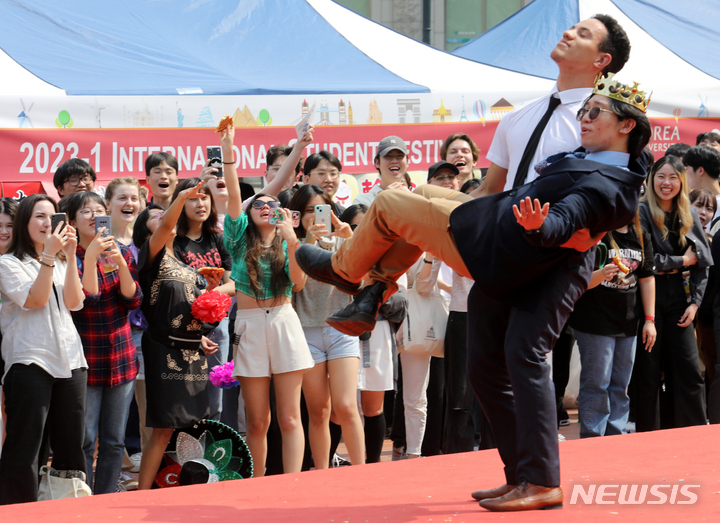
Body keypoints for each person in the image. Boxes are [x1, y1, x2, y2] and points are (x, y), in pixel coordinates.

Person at [297, 74, 652, 511]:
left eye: (594, 111)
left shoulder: (609, 182)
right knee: (484, 365)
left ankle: (346, 271)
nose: (584, 118)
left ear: (626, 126)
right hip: (498, 229)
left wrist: (542, 225)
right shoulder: (599, 159)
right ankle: (521, 476)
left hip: (501, 246)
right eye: (583, 110)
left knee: (390, 205)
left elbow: (568, 216)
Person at [221, 121, 315, 476]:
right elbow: (233, 194)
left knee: (291, 417)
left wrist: (292, 239)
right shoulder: (237, 239)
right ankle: (257, 483)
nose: (264, 204)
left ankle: (292, 484)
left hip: (284, 320)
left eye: (271, 203)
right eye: (257, 202)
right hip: (248, 326)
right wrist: (229, 148)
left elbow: (299, 283)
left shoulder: (289, 242)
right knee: (258, 421)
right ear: (247, 214)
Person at [473, 15, 630, 197]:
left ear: (601, 61)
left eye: (583, 35)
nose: (567, 33)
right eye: (572, 28)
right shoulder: (518, 114)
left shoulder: (604, 124)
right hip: (504, 223)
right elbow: (487, 190)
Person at [135, 181, 222, 490]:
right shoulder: (151, 255)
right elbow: (167, 224)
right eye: (156, 218)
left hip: (194, 354)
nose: (163, 219)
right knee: (162, 429)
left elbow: (189, 309)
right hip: (163, 352)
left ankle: (182, 488)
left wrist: (201, 334)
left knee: (191, 427)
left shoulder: (184, 260)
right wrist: (183, 195)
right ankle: (142, 494)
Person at [0, 194, 85, 504]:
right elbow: (34, 299)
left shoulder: (61, 260)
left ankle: (66, 508)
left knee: (71, 445)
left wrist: (71, 253)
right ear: (24, 221)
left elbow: (75, 302)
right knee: (27, 447)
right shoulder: (8, 263)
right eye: (39, 216)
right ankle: (16, 511)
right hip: (29, 360)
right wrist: (49, 255)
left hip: (72, 361)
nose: (48, 222)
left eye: (53, 216)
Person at [63, 191, 142, 495]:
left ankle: (106, 498)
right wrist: (92, 255)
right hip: (86, 360)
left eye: (99, 210)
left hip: (121, 357)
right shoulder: (69, 257)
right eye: (86, 212)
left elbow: (133, 299)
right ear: (71, 221)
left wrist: (120, 261)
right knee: (85, 439)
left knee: (114, 441)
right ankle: (83, 496)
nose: (94, 216)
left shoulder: (118, 251)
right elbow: (88, 300)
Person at [288, 184, 364, 468]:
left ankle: (362, 473)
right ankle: (322, 474)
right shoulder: (290, 242)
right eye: (308, 211)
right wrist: (304, 242)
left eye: (320, 210)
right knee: (318, 411)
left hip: (341, 328)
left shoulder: (345, 239)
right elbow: (298, 284)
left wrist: (352, 238)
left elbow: (365, 279)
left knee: (346, 407)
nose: (315, 216)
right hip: (305, 331)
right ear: (297, 214)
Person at [633, 156, 711, 432]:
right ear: (651, 179)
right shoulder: (641, 211)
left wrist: (695, 303)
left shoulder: (688, 214)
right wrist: (682, 261)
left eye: (673, 177)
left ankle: (694, 434)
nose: (666, 183)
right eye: (660, 176)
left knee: (689, 370)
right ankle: (647, 434)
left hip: (679, 297)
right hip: (647, 298)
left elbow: (703, 262)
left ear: (682, 181)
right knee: (648, 372)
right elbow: (647, 263)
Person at [568, 217, 656, 438]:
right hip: (594, 320)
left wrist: (649, 319)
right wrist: (601, 274)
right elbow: (577, 278)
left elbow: (646, 278)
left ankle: (616, 436)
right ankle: (593, 438)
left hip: (628, 321)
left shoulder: (640, 233)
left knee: (620, 385)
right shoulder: (594, 231)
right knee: (597, 383)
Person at [170, 177, 233, 420]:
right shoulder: (173, 242)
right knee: (186, 399)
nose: (200, 204)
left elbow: (234, 283)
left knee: (214, 402)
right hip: (185, 327)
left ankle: (211, 455)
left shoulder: (218, 238)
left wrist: (210, 295)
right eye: (192, 199)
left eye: (204, 197)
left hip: (219, 325)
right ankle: (184, 455)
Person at [353, 136, 410, 207]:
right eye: (388, 156)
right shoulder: (363, 201)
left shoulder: (414, 199)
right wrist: (384, 199)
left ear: (407, 162)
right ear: (377, 163)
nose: (394, 161)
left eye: (400, 156)